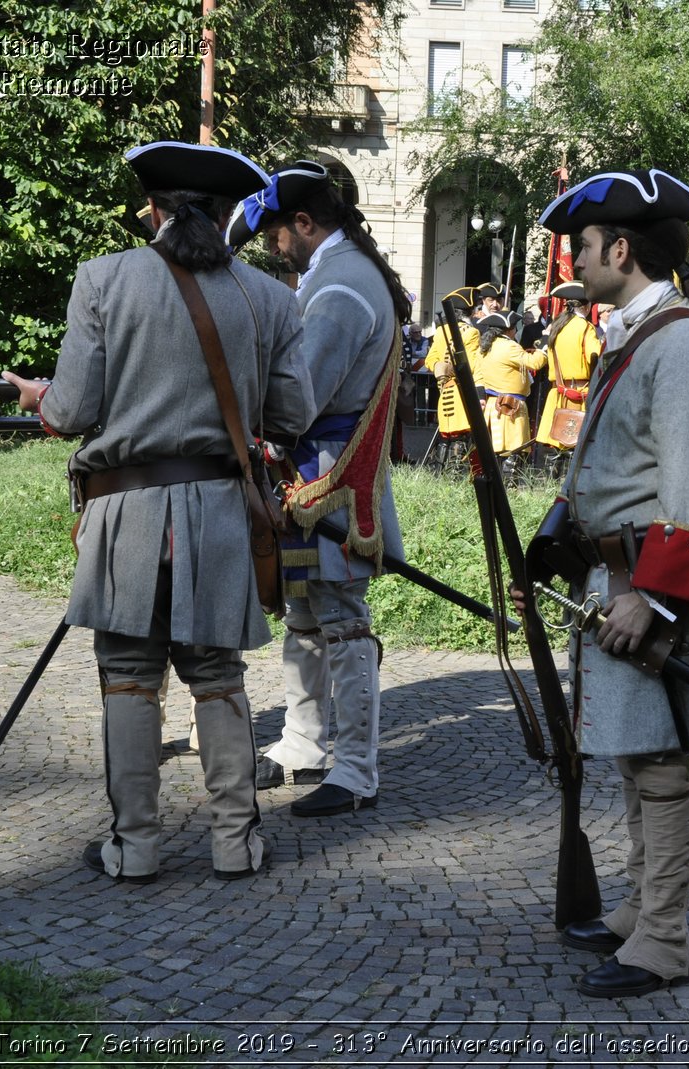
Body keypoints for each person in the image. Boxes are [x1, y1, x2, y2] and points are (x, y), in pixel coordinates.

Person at [2, 141, 315, 882]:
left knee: (129, 677)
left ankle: (134, 847)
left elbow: (74, 408)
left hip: (126, 512)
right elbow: (294, 412)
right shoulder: (270, 298)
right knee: (218, 675)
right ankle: (235, 843)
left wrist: (38, 397)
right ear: (227, 215)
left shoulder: (103, 279)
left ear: (153, 210)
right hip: (218, 510)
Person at [524, 167, 689, 998]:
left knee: (659, 762)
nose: (574, 260)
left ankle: (663, 937)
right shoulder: (635, 331)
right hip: (615, 574)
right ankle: (640, 907)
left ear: (621, 249)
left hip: (651, 584)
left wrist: (651, 598)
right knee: (635, 755)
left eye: (583, 247)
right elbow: (612, 464)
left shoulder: (684, 342)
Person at [226, 160, 410, 818]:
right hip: (310, 473)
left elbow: (300, 397)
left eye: (278, 233)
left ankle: (356, 766)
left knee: (341, 622)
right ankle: (305, 739)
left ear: (306, 224)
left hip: (330, 477)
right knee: (303, 615)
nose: (275, 245)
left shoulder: (339, 286)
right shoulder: (338, 272)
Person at [533, 280, 601, 476]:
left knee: (556, 443)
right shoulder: (585, 327)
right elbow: (595, 357)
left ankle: (548, 483)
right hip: (577, 393)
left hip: (558, 392)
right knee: (574, 444)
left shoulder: (557, 326)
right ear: (586, 306)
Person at [475, 309, 548, 479]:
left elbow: (477, 375)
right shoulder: (510, 346)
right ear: (510, 329)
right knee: (513, 451)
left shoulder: (485, 347)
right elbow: (535, 363)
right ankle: (509, 488)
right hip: (510, 404)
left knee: (498, 451)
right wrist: (545, 340)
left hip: (493, 403)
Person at [424, 287, 480, 470]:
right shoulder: (471, 332)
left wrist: (440, 369)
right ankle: (454, 476)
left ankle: (440, 474)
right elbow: (469, 366)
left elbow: (430, 360)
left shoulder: (440, 331)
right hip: (460, 391)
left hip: (444, 389)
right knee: (460, 435)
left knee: (446, 434)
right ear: (469, 311)